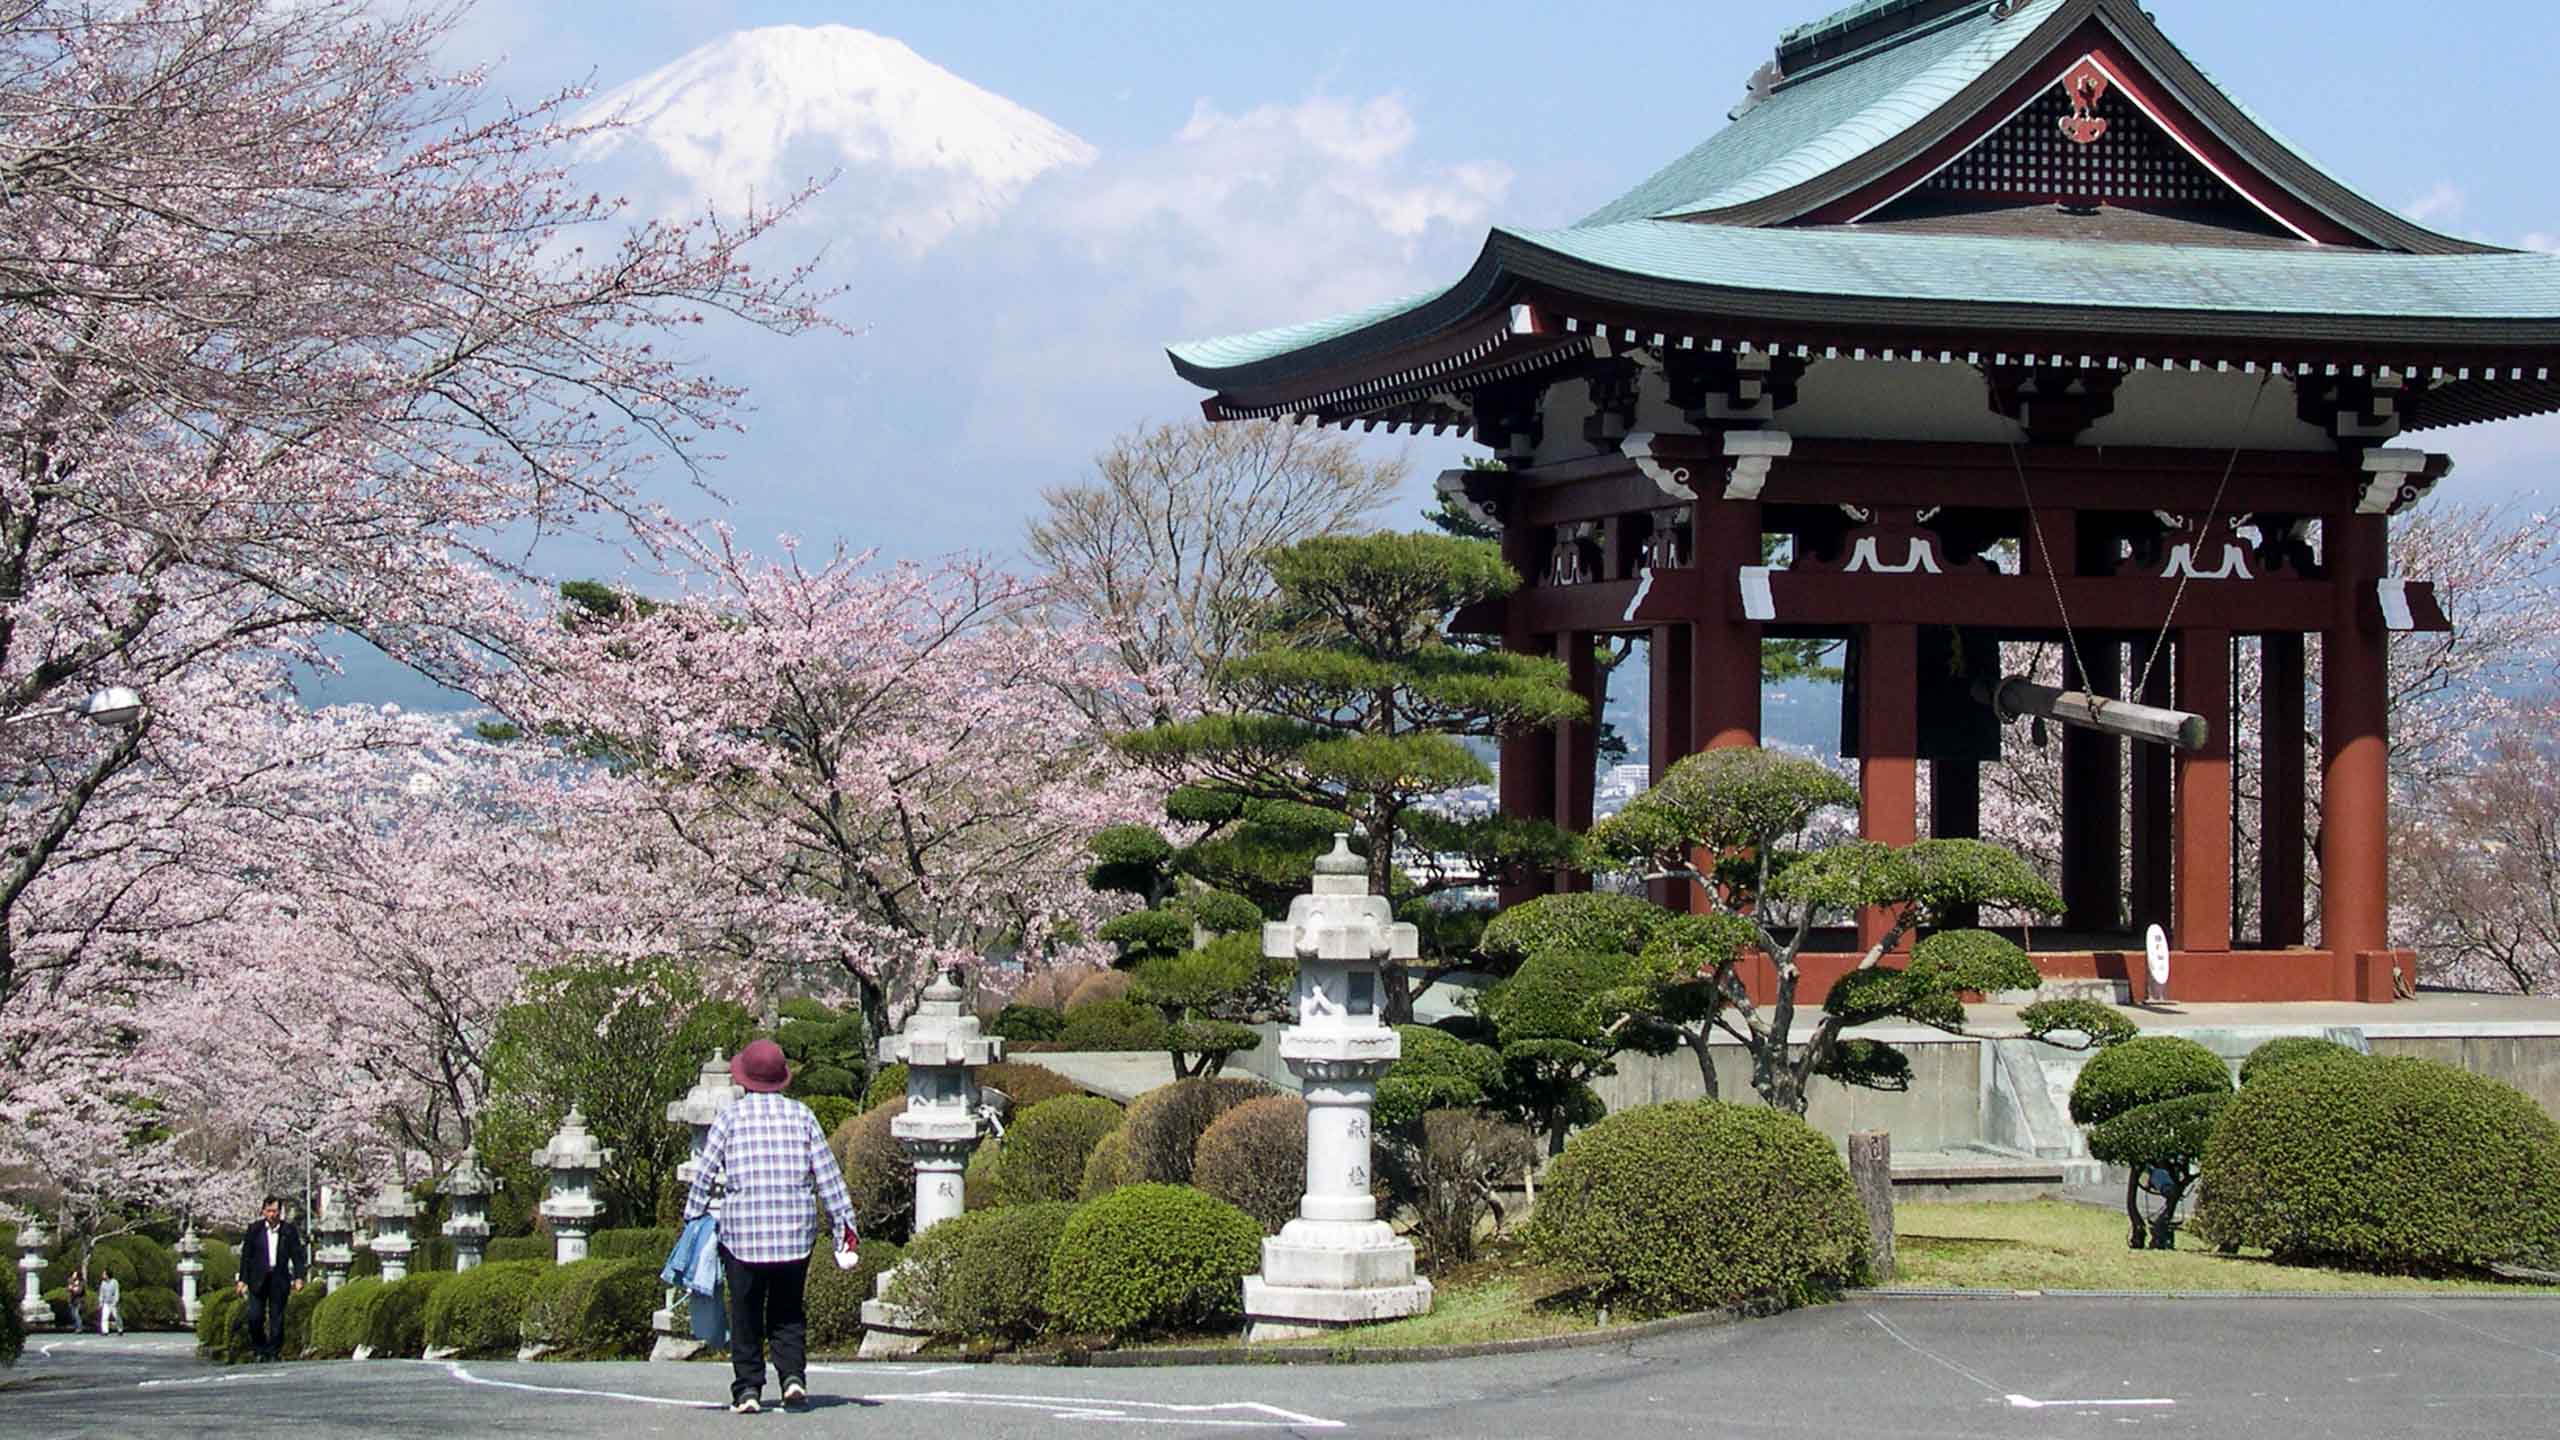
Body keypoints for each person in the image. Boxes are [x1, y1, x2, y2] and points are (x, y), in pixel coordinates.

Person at [682, 1037, 859, 1415]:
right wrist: (844, 1226)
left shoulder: (730, 1117)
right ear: (782, 1079)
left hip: (742, 1233)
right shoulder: (802, 1115)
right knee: (788, 1309)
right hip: (794, 1232)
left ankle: (747, 1389)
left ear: (744, 1080)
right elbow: (828, 1176)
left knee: (745, 1311)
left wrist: (692, 1215)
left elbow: (705, 1173)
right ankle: (793, 1378)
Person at [234, 1195, 306, 1361]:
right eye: (269, 1211)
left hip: (278, 1278)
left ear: (281, 1212)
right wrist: (242, 1280)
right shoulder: (254, 1230)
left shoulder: (288, 1230)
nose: (272, 1214)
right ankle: (259, 1348)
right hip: (257, 1278)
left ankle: (274, 1350)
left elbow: (297, 1255)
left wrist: (299, 1277)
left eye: (275, 1211)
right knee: (255, 1316)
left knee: (277, 1317)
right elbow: (246, 1256)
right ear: (263, 1211)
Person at [97, 1271, 122, 1335]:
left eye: (104, 1274)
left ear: (107, 1275)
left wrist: (116, 1301)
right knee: (104, 1317)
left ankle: (120, 1329)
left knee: (117, 1317)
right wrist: (100, 1302)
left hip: (113, 1303)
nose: (102, 1275)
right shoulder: (103, 1283)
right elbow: (101, 1293)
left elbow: (117, 1292)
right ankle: (105, 1331)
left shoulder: (114, 1282)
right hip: (106, 1303)